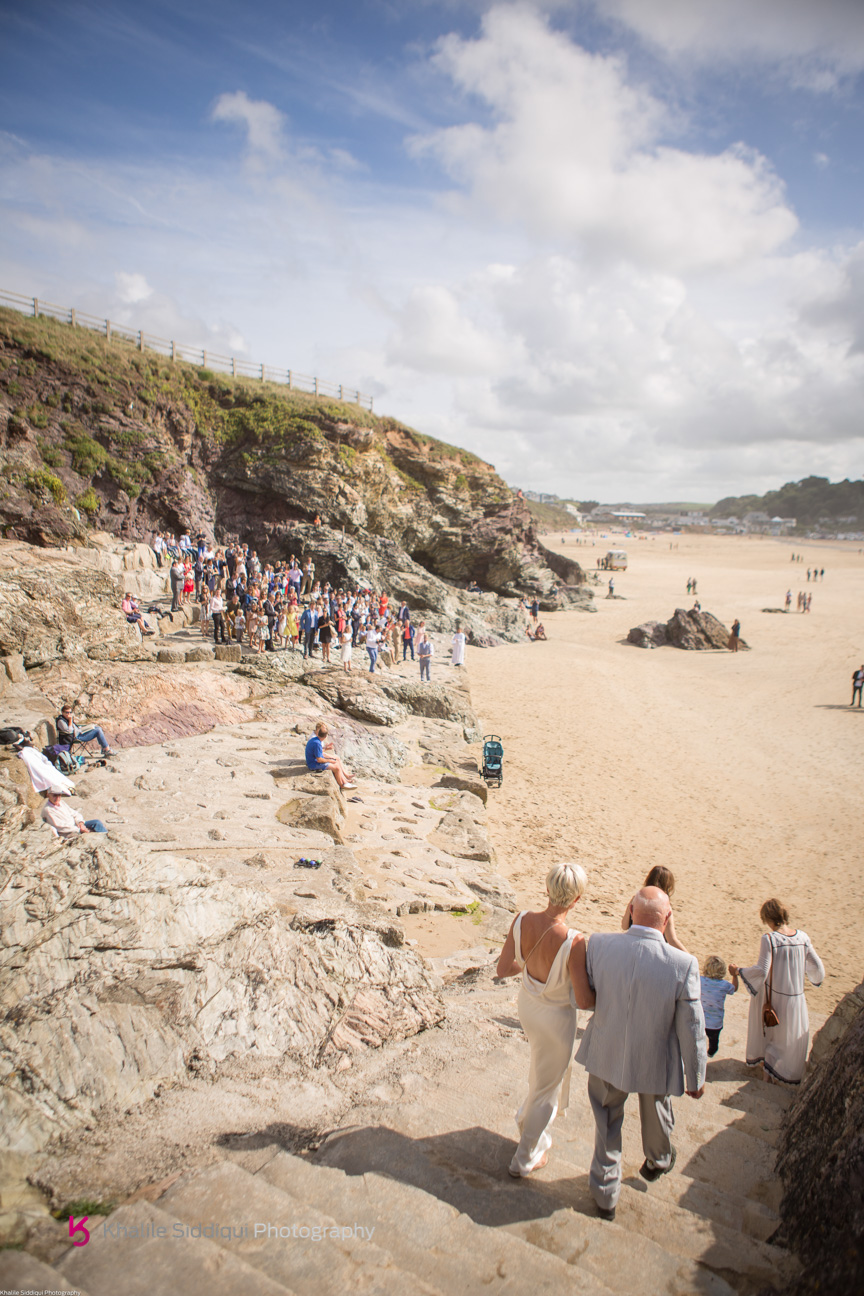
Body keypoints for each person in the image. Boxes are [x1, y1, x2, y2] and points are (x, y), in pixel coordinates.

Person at [576, 887, 706, 1221]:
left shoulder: (600, 944)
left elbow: (588, 994)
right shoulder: (684, 964)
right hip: (654, 1055)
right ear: (668, 919)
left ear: (630, 909)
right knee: (657, 1108)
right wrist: (696, 1075)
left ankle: (606, 1194)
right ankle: (659, 1158)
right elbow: (691, 1027)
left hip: (607, 1048)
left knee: (606, 1121)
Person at [496, 863, 594, 1178]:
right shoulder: (575, 941)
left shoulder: (522, 920)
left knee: (539, 1071)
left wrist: (527, 968)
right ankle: (523, 1159)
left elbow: (503, 968)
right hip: (555, 1018)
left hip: (528, 1008)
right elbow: (583, 999)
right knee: (548, 1089)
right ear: (577, 899)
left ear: (546, 889)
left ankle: (527, 1121)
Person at [729, 899, 824, 1085]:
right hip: (797, 1001)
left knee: (772, 1039)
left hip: (777, 1000)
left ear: (767, 918)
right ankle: (779, 1077)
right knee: (789, 1043)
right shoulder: (803, 938)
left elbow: (762, 970)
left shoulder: (770, 939)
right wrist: (809, 977)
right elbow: (818, 970)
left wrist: (739, 971)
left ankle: (767, 1078)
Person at [621, 865, 687, 951]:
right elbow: (672, 940)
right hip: (653, 950)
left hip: (632, 946)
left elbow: (624, 926)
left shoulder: (636, 899)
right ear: (668, 885)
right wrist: (690, 958)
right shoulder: (665, 906)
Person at [700, 956, 738, 1059]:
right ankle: (711, 1052)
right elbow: (734, 989)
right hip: (715, 1023)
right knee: (713, 1041)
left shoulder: (700, 980)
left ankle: (699, 1054)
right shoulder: (724, 985)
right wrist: (734, 975)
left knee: (698, 1039)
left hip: (700, 1020)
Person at [304, 721, 356, 789]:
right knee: (336, 768)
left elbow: (318, 754)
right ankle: (342, 785)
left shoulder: (315, 740)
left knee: (336, 763)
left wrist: (326, 749)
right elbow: (319, 759)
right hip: (313, 764)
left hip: (313, 761)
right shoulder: (317, 743)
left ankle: (345, 782)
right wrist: (330, 761)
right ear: (325, 736)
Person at [41, 790, 107, 836]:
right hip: (68, 832)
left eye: (59, 795)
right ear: (48, 795)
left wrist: (80, 823)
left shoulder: (61, 803)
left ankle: (106, 837)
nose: (57, 798)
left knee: (96, 822)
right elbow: (61, 827)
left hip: (76, 825)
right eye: (55, 795)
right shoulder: (48, 810)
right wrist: (79, 830)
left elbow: (75, 814)